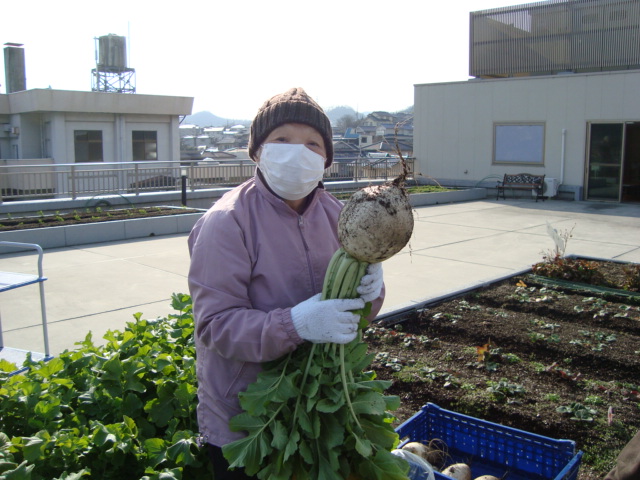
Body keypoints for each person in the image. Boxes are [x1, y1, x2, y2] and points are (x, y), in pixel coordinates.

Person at [187, 87, 385, 480]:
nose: (299, 152)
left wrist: (372, 291)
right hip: (246, 418)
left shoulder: (340, 217)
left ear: (327, 159)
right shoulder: (227, 222)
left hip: (318, 406)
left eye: (313, 144)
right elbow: (215, 326)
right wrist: (296, 324)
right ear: (258, 150)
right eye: (282, 140)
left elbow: (351, 316)